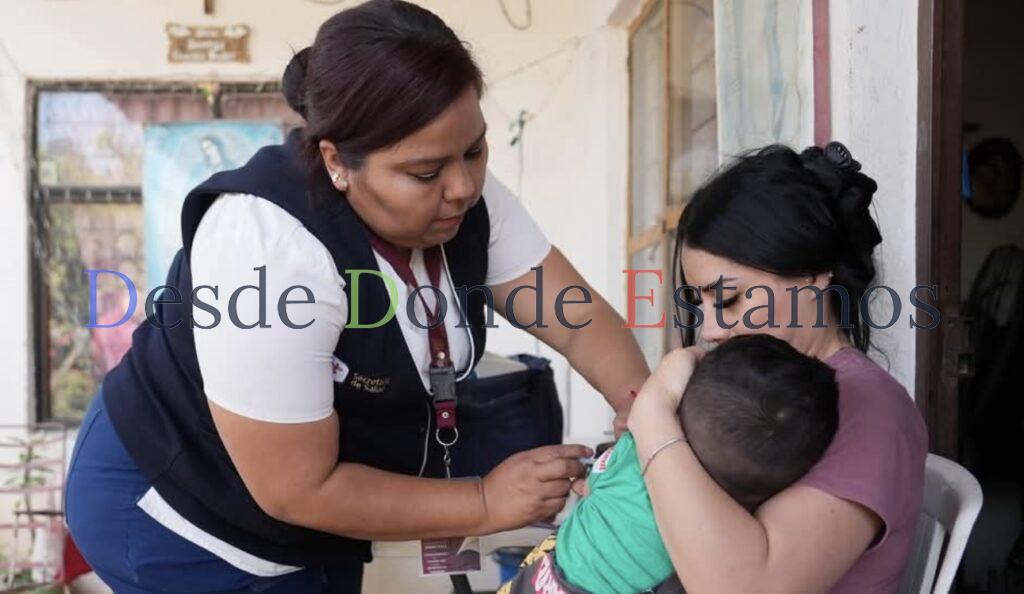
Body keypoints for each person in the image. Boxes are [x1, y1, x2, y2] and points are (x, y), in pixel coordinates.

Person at [64, 1, 649, 592]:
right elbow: (297, 488)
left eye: (475, 150)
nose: (463, 187)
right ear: (337, 161)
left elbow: (575, 321)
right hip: (176, 507)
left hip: (313, 508)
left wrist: (643, 410)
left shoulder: (462, 191)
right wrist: (484, 500)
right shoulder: (267, 249)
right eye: (425, 173)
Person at [629, 142, 929, 593]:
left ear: (811, 275)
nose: (709, 329)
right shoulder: (748, 395)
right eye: (700, 304)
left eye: (728, 299)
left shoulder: (870, 410)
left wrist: (653, 419)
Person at [498, 334, 840, 594]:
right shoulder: (728, 529)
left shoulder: (636, 448)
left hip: (542, 582)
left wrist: (686, 357)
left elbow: (597, 481)